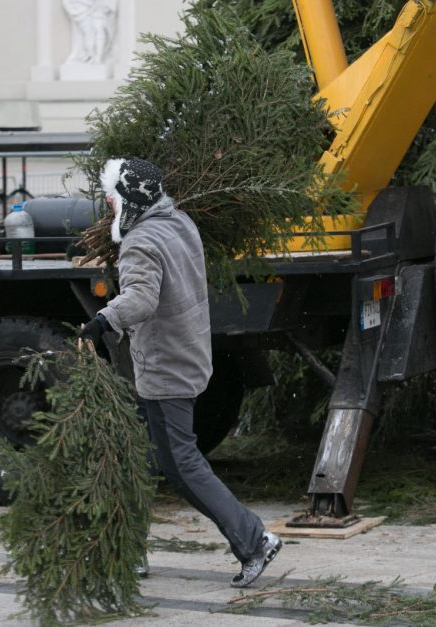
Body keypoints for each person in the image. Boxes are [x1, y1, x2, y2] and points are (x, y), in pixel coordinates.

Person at [78, 158, 281, 588]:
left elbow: (141, 299)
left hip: (166, 364)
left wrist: (101, 320)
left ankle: (254, 540)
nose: (109, 202)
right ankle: (131, 551)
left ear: (131, 199)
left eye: (114, 194)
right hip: (187, 353)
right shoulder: (180, 222)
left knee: (182, 462)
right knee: (162, 460)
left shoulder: (139, 243)